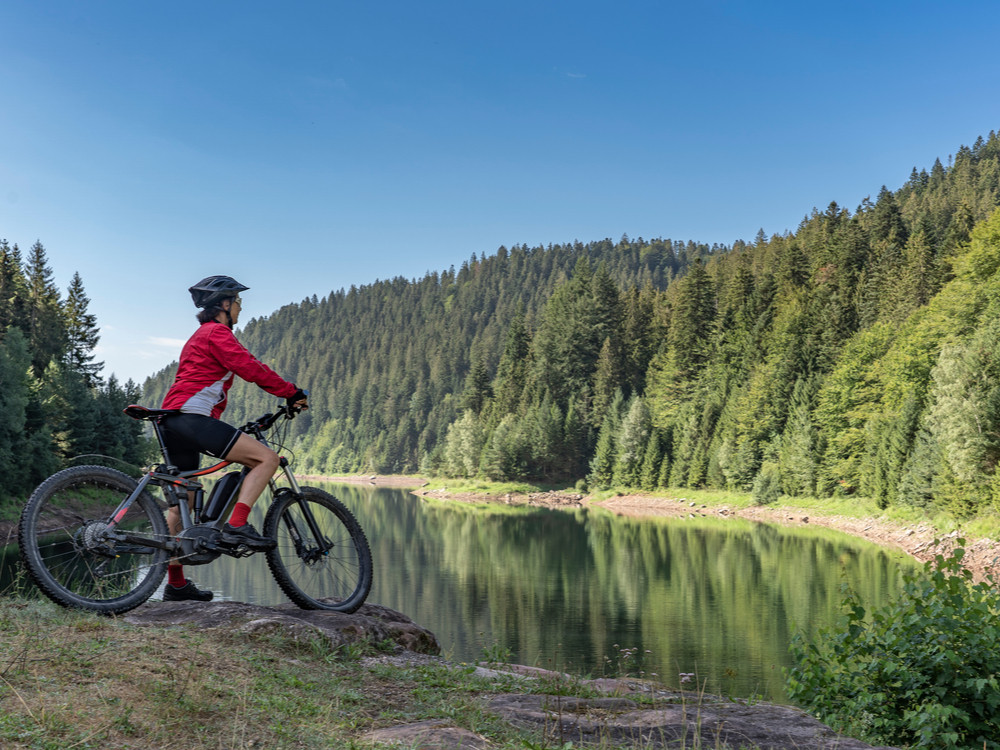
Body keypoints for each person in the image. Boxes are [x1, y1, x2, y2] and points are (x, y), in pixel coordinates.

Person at [158, 275, 308, 601]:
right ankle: (238, 524)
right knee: (267, 459)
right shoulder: (217, 332)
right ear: (224, 304)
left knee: (183, 498)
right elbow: (249, 367)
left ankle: (177, 584)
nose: (241, 308)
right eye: (238, 301)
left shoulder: (199, 335)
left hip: (172, 419)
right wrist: (290, 393)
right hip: (192, 418)